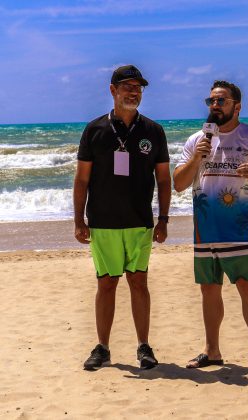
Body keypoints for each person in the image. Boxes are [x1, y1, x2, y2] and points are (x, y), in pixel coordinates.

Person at [173, 80, 248, 371]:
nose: (214, 106)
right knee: (209, 289)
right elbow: (179, 184)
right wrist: (197, 155)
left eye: (221, 101)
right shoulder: (196, 139)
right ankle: (212, 351)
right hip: (205, 230)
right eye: (210, 101)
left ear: (237, 106)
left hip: (240, 228)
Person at [74, 64, 171, 370]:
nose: (134, 92)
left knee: (139, 283)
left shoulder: (153, 131)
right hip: (102, 222)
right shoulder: (95, 130)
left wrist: (164, 218)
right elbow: (82, 180)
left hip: (140, 221)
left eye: (138, 87)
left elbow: (164, 179)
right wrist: (79, 220)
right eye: (128, 86)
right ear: (113, 90)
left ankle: (144, 346)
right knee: (106, 284)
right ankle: (102, 347)